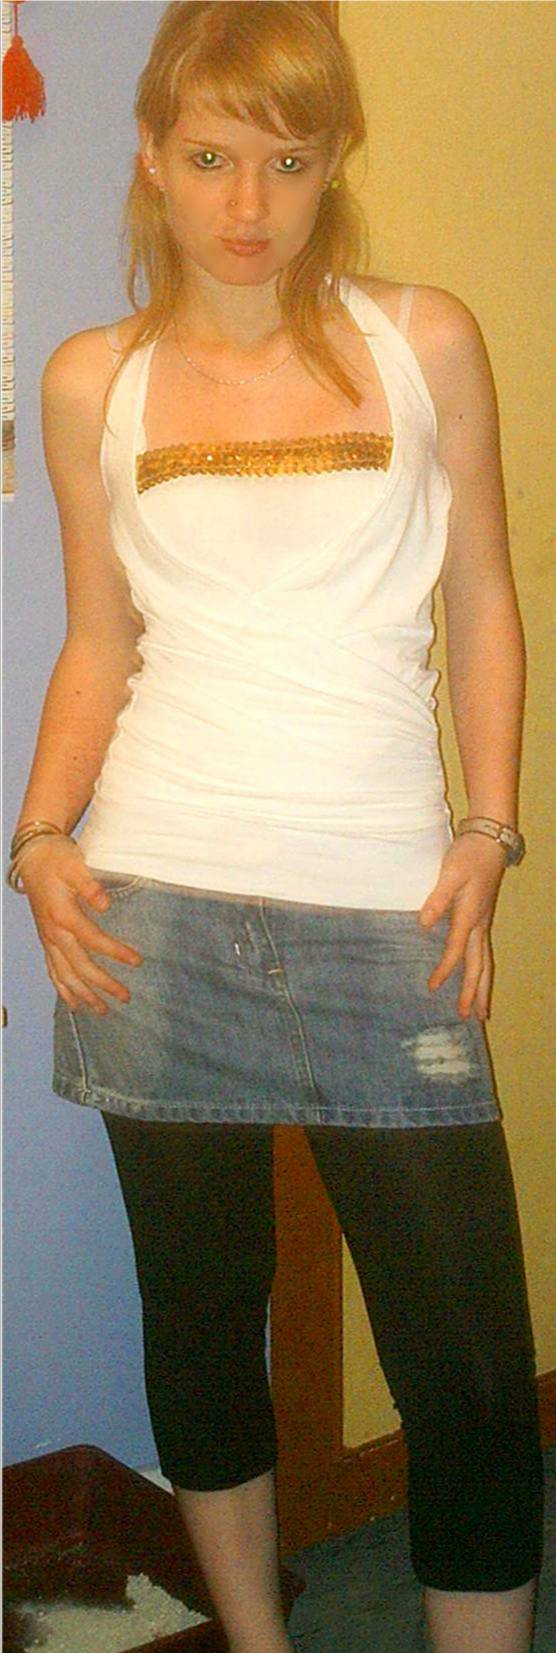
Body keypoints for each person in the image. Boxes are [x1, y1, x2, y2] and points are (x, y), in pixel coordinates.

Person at [7, 4, 544, 1650]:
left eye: (290, 161)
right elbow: (98, 639)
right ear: (152, 157)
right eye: (211, 157)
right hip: (153, 912)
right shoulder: (92, 378)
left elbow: (484, 599)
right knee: (200, 1323)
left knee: (468, 1366)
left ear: (332, 165)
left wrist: (490, 830)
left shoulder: (423, 338)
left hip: (391, 913)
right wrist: (38, 839)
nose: (249, 203)